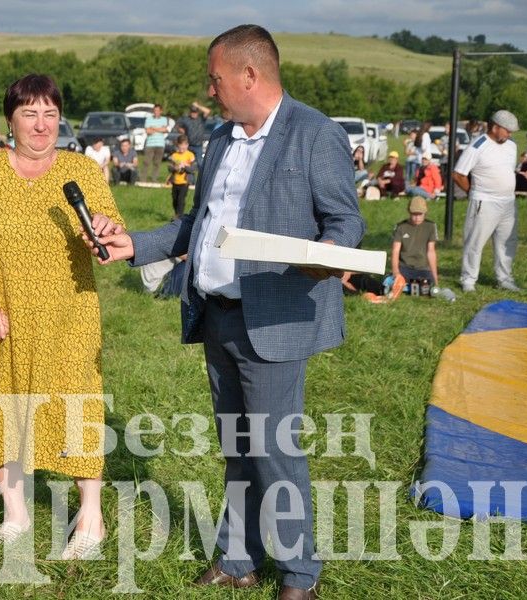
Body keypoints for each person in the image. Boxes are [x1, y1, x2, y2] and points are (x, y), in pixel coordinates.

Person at [86, 25, 364, 600]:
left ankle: (299, 575)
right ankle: (238, 558)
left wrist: (331, 257)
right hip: (216, 316)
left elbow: (345, 222)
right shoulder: (219, 138)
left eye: (215, 79)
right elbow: (198, 225)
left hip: (275, 322)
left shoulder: (313, 134)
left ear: (249, 75)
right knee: (238, 446)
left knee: (272, 450)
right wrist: (134, 244)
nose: (210, 91)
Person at [0, 74, 124, 560]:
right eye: (29, 114)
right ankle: (16, 512)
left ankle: (91, 517)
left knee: (74, 404)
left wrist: (102, 231)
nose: (41, 125)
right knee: (0, 403)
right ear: (10, 119)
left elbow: (111, 230)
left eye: (50, 114)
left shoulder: (82, 171)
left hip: (69, 315)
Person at [454, 109, 521, 292]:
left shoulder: (512, 146)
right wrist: (472, 192)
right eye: (507, 130)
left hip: (508, 202)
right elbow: (458, 174)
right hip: (484, 201)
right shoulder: (478, 145)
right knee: (475, 241)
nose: (510, 134)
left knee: (507, 241)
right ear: (495, 127)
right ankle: (468, 279)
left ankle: (504, 278)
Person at [391, 195, 439, 286]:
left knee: (427, 286)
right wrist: (395, 271)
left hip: (423, 268)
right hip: (404, 267)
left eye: (420, 214)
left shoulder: (431, 226)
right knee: (395, 283)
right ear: (409, 212)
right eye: (414, 214)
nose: (417, 217)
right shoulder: (401, 227)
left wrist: (435, 276)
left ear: (425, 213)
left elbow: (431, 252)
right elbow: (395, 251)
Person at [167, 134, 196, 217]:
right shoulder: (174, 155)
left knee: (181, 199)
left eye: (184, 147)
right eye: (180, 147)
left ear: (187, 145)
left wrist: (185, 166)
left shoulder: (190, 155)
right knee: (174, 199)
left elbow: (193, 169)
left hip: (185, 182)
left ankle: (179, 216)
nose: (182, 149)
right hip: (175, 181)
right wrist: (175, 168)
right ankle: (176, 213)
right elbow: (169, 168)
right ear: (177, 145)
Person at [175, 101, 212, 165]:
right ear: (190, 112)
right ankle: (188, 175)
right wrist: (180, 129)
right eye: (192, 112)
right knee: (186, 163)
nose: (194, 113)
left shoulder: (201, 119)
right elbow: (177, 125)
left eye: (195, 112)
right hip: (188, 145)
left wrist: (197, 106)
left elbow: (208, 111)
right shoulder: (186, 119)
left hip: (198, 146)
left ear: (197, 112)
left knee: (200, 164)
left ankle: (200, 175)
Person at [142, 103, 169, 182]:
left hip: (160, 144)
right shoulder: (148, 119)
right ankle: (143, 178)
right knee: (146, 162)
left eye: (157, 110)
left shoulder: (164, 119)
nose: (156, 112)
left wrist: (153, 128)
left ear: (161, 111)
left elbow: (165, 130)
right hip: (150, 144)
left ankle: (154, 178)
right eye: (154, 110)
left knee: (157, 163)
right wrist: (159, 129)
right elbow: (148, 131)